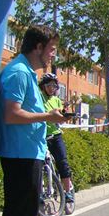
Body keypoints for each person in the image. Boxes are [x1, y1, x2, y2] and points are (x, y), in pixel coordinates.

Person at [0, 25, 66, 216]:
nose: (52, 56)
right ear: (38, 47)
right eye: (51, 49)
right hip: (19, 153)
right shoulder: (18, 73)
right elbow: (11, 115)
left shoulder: (26, 73)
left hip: (28, 152)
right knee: (18, 215)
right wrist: (48, 117)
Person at [38, 73, 75, 207]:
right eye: (49, 85)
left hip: (55, 135)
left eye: (54, 86)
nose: (52, 88)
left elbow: (60, 114)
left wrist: (65, 114)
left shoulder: (56, 100)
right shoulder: (39, 97)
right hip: (41, 135)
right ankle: (40, 193)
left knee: (62, 163)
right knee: (38, 165)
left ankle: (67, 191)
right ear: (43, 86)